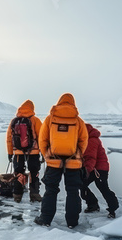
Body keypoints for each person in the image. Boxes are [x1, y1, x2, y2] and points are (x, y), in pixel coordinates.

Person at [34, 93, 88, 228]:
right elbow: (84, 140)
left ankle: (45, 220)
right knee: (73, 191)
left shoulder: (50, 119)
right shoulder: (78, 121)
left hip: (53, 161)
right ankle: (72, 222)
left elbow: (42, 139)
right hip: (74, 162)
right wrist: (78, 155)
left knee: (50, 190)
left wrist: (46, 154)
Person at [6, 100, 43, 203]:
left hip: (18, 153)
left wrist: (10, 153)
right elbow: (42, 138)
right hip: (33, 152)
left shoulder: (14, 121)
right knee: (34, 172)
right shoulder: (35, 120)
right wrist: (44, 153)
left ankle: (17, 195)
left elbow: (9, 138)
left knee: (19, 173)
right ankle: (34, 194)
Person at [81, 123, 119, 218]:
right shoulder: (87, 139)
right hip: (95, 168)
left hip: (99, 169)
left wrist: (86, 171)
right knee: (82, 185)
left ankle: (113, 208)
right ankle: (93, 204)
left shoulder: (91, 140)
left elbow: (90, 158)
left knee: (103, 188)